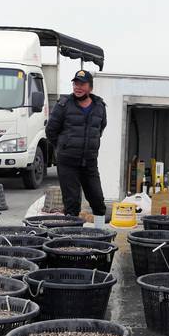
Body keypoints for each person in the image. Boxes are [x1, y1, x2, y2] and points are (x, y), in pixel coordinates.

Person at [46, 69, 107, 227]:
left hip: (89, 162)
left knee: (98, 201)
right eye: (75, 84)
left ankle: (99, 234)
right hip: (68, 162)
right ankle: (72, 236)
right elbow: (51, 131)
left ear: (90, 87)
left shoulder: (99, 106)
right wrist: (63, 146)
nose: (77, 87)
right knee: (72, 204)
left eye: (82, 84)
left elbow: (100, 129)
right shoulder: (64, 104)